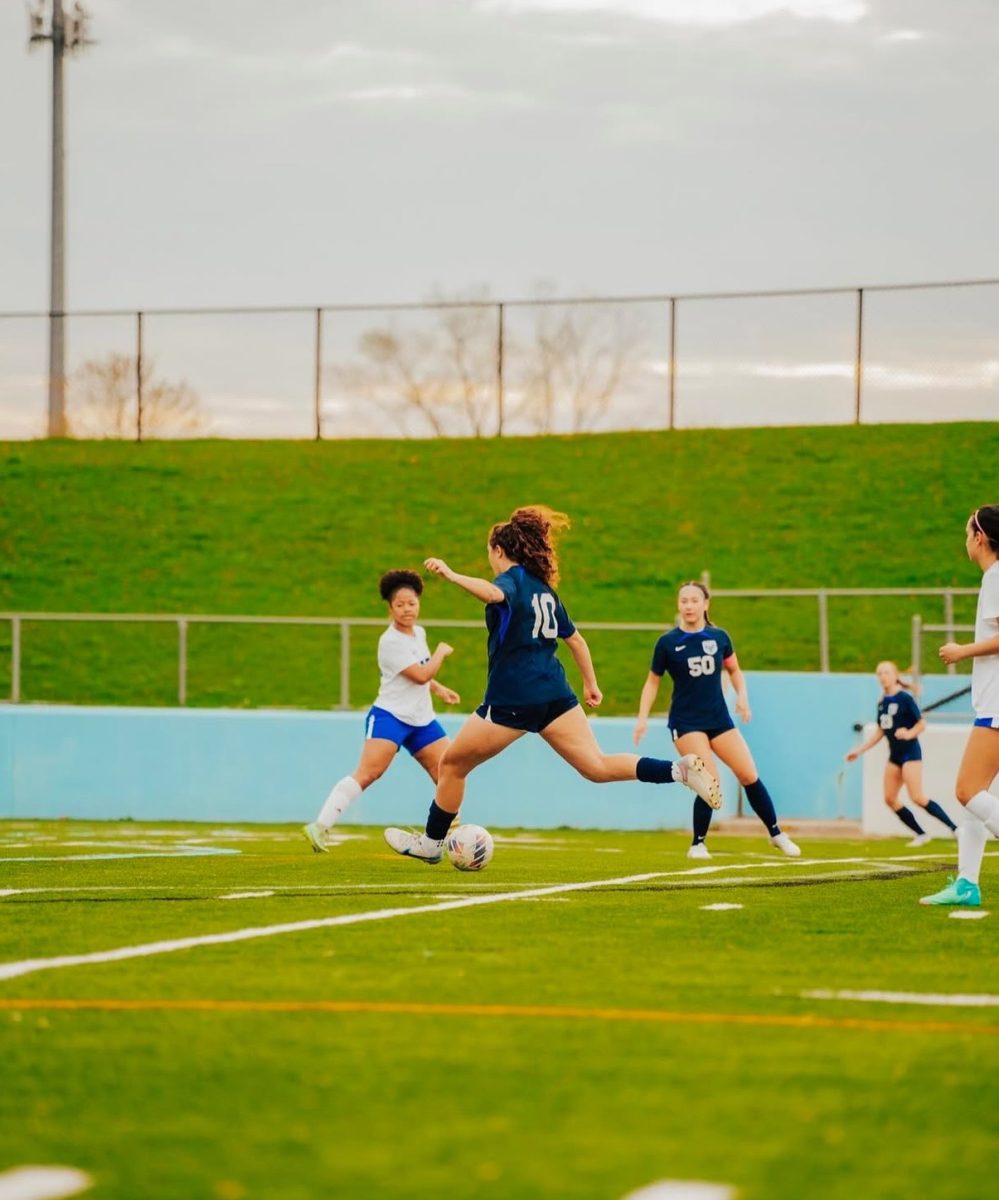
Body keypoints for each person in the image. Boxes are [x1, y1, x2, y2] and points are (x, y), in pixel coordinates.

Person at [383, 506, 720, 863]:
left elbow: (493, 594)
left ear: (499, 551)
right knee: (597, 766)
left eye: (489, 552)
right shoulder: (545, 590)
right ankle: (677, 769)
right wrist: (590, 683)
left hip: (514, 697)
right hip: (556, 694)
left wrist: (452, 575)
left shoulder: (510, 581)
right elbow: (575, 640)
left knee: (452, 765)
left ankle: (433, 844)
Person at [633, 580, 800, 860]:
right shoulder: (667, 642)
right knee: (709, 779)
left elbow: (735, 671)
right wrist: (642, 718)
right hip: (686, 722)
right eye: (683, 600)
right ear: (678, 604)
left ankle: (776, 833)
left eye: (694, 600)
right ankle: (698, 843)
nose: (688, 605)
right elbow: (652, 683)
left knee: (748, 774)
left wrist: (743, 697)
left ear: (705, 604)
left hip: (719, 719)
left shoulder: (719, 637)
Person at [303, 569, 460, 852]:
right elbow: (421, 674)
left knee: (447, 772)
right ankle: (320, 826)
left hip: (422, 719)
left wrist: (439, 689)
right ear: (390, 607)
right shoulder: (389, 641)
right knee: (369, 772)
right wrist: (441, 654)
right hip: (390, 716)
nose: (406, 609)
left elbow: (421, 671)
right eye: (399, 605)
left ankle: (450, 839)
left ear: (419, 603)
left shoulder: (418, 633)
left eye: (411, 603)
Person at [921, 505, 999, 907]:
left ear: (980, 537)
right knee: (976, 795)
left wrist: (961, 650)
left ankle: (968, 884)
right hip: (992, 700)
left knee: (967, 790)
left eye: (967, 531)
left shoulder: (996, 577)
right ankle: (967, 885)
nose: (965, 539)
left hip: (998, 704)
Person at [844, 661, 957, 845]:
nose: (882, 677)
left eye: (886, 673)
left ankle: (955, 829)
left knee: (917, 797)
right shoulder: (882, 702)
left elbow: (921, 723)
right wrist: (859, 750)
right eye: (879, 674)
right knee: (889, 798)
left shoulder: (905, 698)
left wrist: (908, 733)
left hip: (910, 753)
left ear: (896, 675)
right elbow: (881, 730)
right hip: (894, 756)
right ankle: (921, 834)